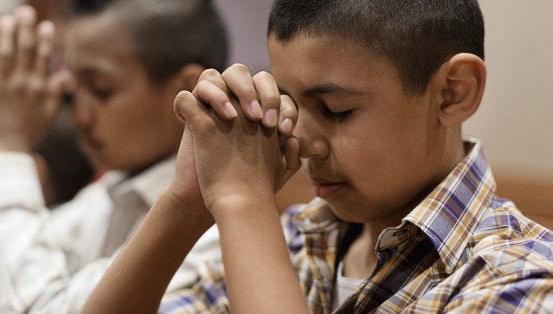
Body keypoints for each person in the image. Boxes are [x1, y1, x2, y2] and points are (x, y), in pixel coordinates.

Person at [82, 0, 553, 313]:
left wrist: (243, 200)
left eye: (336, 110)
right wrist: (185, 203)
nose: (302, 140)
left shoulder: (521, 275)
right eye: (287, 101)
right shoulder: (297, 243)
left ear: (452, 94)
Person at [0, 0, 229, 312]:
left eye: (100, 89)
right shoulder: (104, 195)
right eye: (73, 90)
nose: (78, 115)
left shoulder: (217, 223)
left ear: (187, 90)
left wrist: (5, 153)